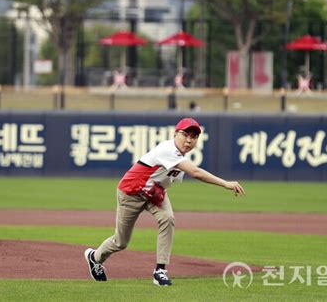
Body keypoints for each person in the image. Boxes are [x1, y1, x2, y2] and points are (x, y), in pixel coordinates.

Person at [84, 117, 245, 286]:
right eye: (185, 134)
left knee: (167, 218)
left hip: (153, 193)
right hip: (131, 192)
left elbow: (166, 180)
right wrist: (226, 183)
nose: (189, 140)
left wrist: (159, 193)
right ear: (175, 134)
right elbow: (195, 173)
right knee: (121, 242)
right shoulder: (168, 150)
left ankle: (160, 270)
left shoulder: (180, 156)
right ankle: (94, 257)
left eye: (194, 137)